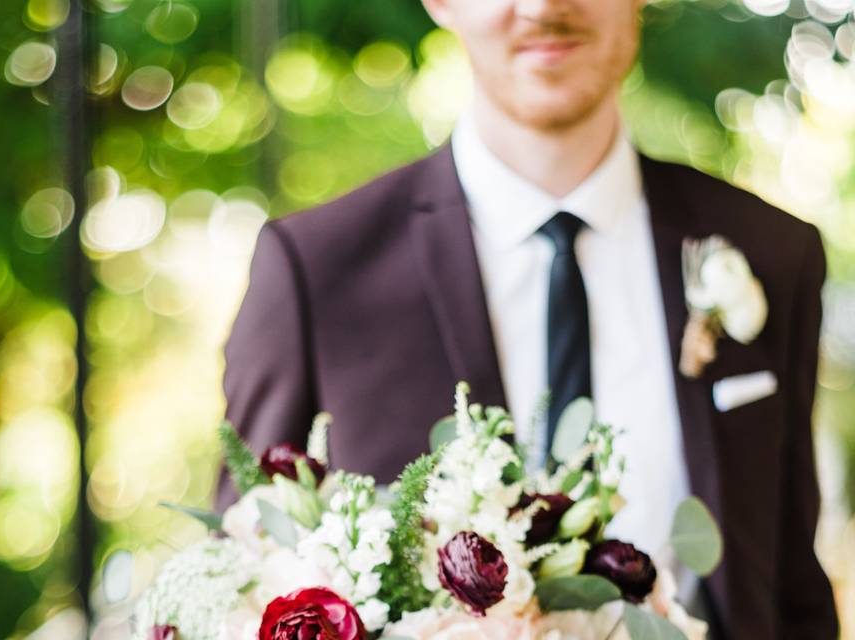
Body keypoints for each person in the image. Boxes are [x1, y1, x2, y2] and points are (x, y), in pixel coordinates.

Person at [219, 0, 839, 637]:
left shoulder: (770, 254)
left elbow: (793, 582)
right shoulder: (317, 271)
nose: (546, 8)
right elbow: (241, 586)